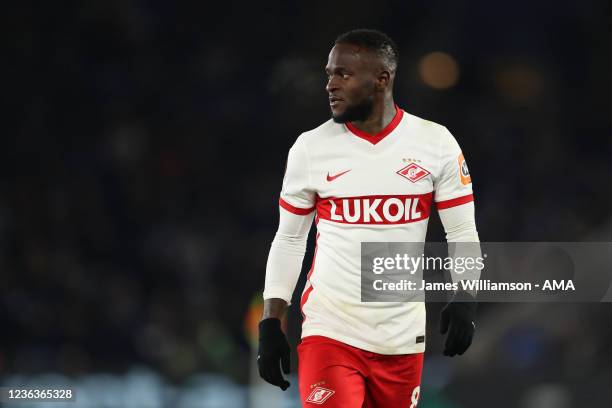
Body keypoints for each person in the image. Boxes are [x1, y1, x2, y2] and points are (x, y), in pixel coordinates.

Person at [258, 28, 480, 407]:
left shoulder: (435, 143)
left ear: (382, 78)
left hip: (401, 335)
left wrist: (466, 296)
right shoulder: (311, 149)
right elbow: (290, 239)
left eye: (343, 74)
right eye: (329, 74)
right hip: (330, 331)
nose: (330, 84)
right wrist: (271, 320)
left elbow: (461, 229)